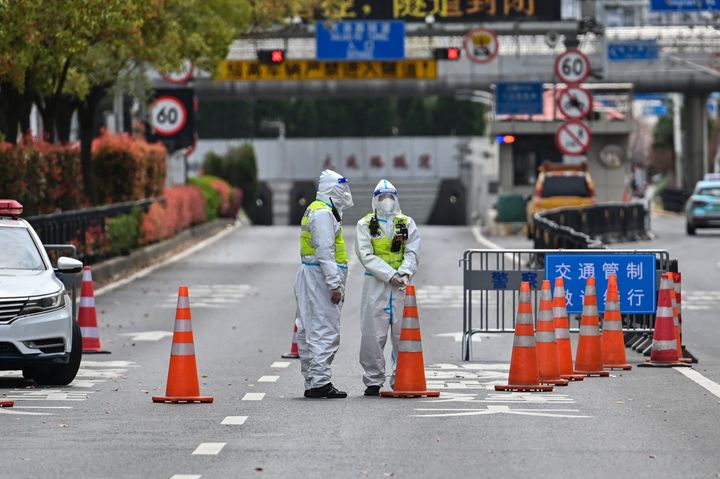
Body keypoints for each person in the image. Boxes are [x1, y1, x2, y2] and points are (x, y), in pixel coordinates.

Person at [355, 179, 420, 396]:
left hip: (401, 286)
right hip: (375, 285)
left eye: (390, 197)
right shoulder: (365, 224)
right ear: (375, 200)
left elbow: (412, 251)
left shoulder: (407, 222)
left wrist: (404, 272)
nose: (386, 201)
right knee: (373, 334)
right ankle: (373, 380)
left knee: (403, 334)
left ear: (396, 198)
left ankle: (401, 377)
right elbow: (366, 255)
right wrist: (389, 275)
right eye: (382, 197)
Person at [295, 169, 353, 399]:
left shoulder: (319, 209)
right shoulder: (322, 214)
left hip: (312, 274)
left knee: (310, 327)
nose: (344, 192)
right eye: (340, 187)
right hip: (320, 276)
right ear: (331, 188)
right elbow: (325, 251)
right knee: (324, 329)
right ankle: (320, 382)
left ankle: (312, 380)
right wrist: (334, 284)